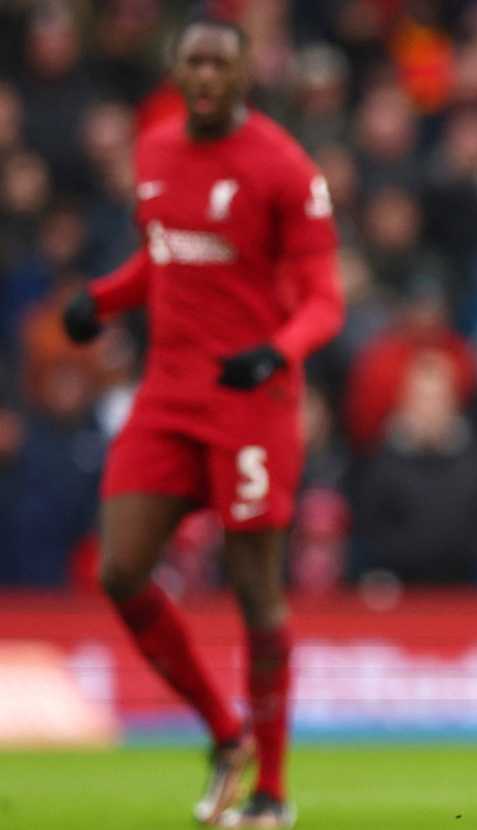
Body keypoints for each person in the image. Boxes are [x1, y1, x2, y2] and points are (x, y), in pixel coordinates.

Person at [61, 13, 341, 829]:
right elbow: (167, 254)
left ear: (246, 72)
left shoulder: (284, 167)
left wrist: (277, 352)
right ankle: (225, 732)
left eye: (223, 62)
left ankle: (274, 790)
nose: (209, 76)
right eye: (196, 63)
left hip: (252, 402)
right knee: (120, 570)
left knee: (257, 592)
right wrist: (103, 300)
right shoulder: (152, 149)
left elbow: (326, 298)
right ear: (177, 72)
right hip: (167, 397)